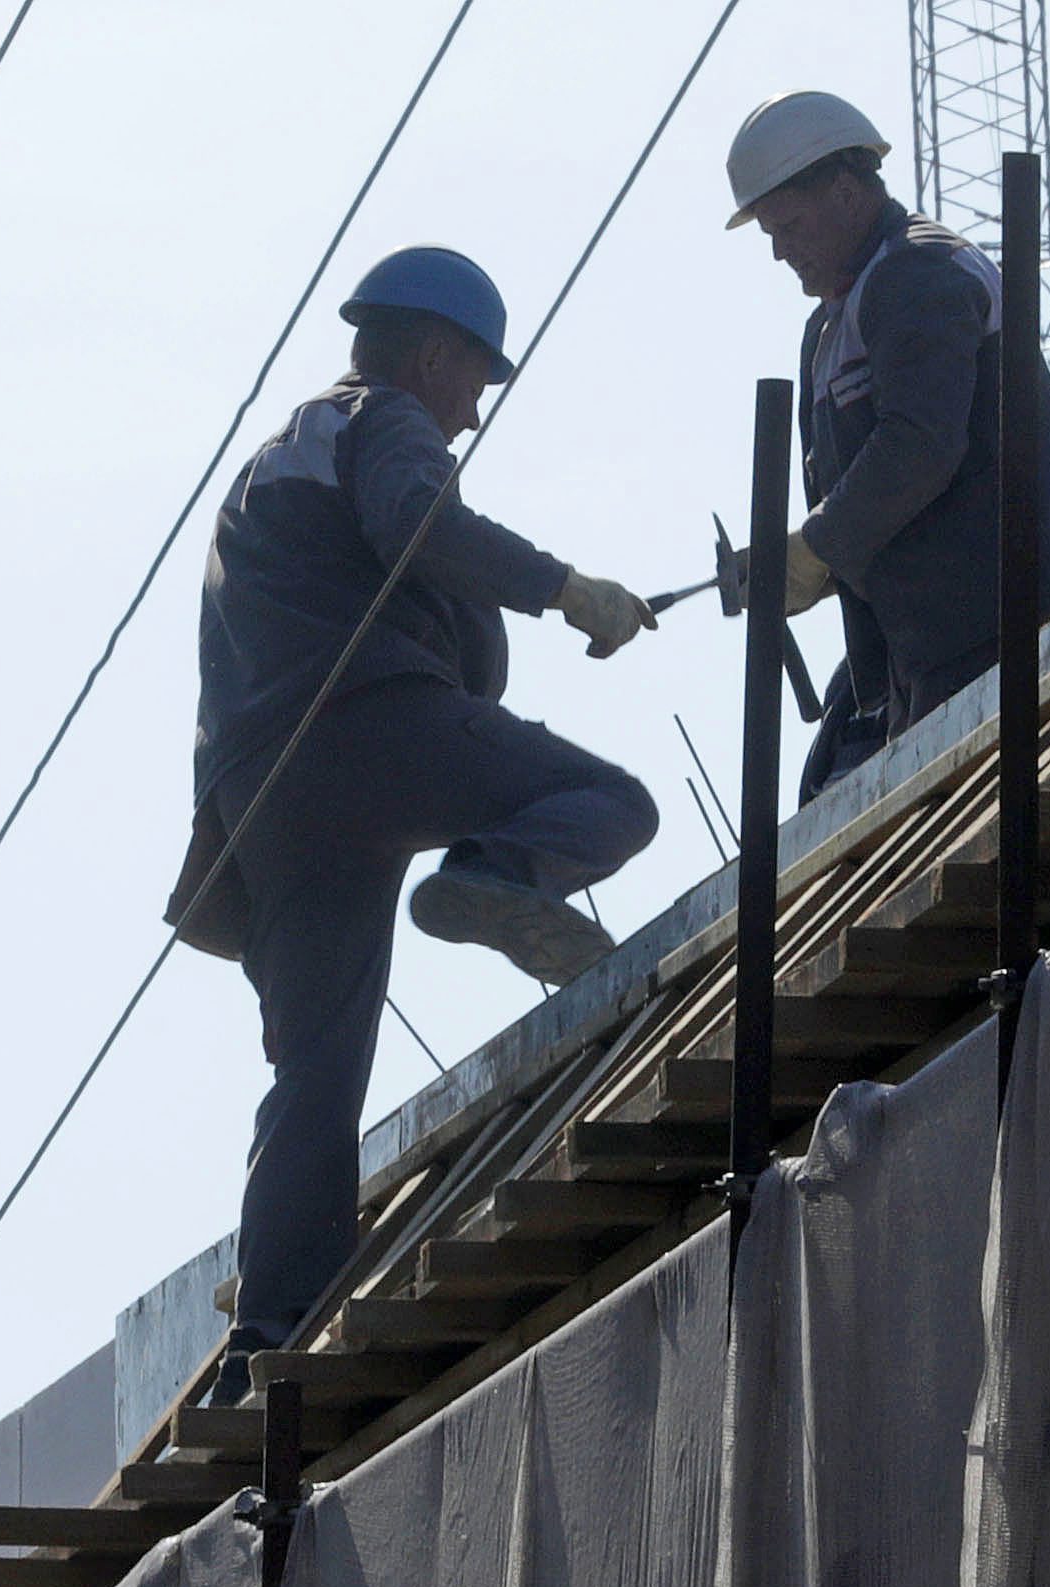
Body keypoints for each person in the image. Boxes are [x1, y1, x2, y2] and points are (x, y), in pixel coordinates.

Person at [181, 245, 662, 1393]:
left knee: (317, 1074)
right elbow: (419, 525)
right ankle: (491, 874)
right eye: (475, 382)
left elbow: (391, 570)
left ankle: (269, 1337)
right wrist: (562, 588)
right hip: (368, 731)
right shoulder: (382, 422)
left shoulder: (275, 461)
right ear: (433, 354)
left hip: (267, 801)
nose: (471, 412)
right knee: (612, 802)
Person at [723, 91, 1050, 797]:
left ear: (847, 194)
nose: (780, 251)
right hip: (937, 652)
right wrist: (809, 566)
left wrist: (815, 548)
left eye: (788, 226)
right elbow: (872, 501)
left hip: (1020, 616)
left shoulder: (919, 272)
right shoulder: (827, 331)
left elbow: (920, 444)